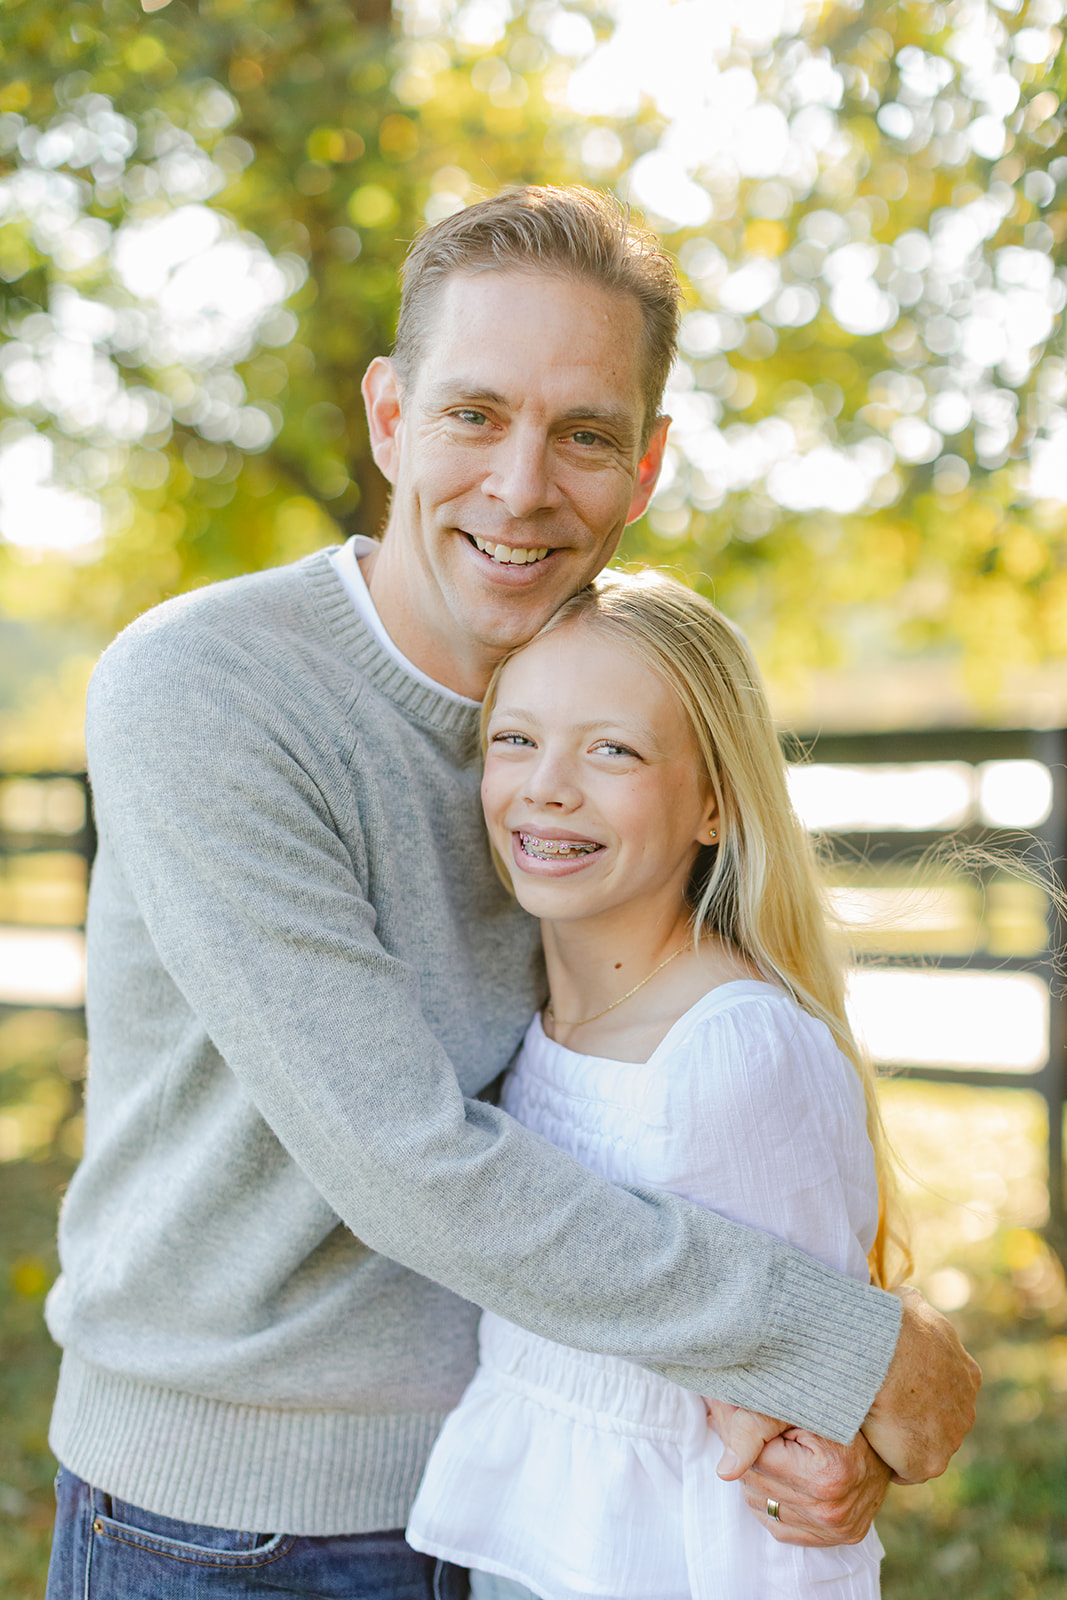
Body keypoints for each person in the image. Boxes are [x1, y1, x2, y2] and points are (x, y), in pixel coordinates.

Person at [44, 187, 978, 1600]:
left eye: (583, 434)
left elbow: (680, 1113)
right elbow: (401, 1161)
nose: (523, 485)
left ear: (645, 468)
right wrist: (846, 1351)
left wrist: (795, 1409)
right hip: (227, 1529)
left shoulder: (611, 729)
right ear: (387, 419)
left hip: (526, 1504)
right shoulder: (208, 689)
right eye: (472, 414)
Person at [407, 569, 899, 1598]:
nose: (545, 784)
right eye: (515, 738)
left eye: (613, 749)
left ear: (713, 802)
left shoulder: (730, 1052)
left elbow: (801, 1452)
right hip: (513, 1550)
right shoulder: (528, 1023)